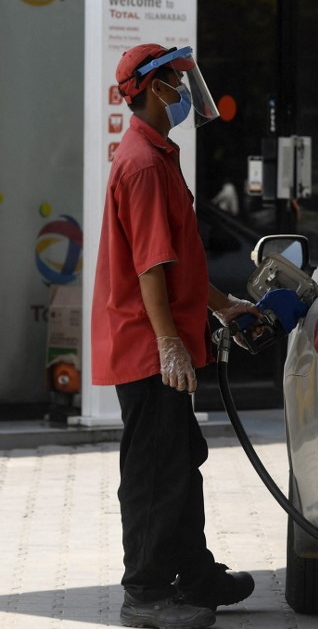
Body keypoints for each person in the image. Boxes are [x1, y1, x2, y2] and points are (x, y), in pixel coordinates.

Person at [92, 43, 260, 629]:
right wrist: (167, 344)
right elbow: (149, 268)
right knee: (154, 470)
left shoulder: (160, 156)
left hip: (160, 341)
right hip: (146, 347)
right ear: (153, 88)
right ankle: (145, 593)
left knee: (182, 457)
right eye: (176, 80)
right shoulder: (141, 163)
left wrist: (224, 305)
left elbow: (181, 258)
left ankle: (195, 574)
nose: (186, 90)